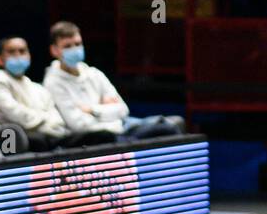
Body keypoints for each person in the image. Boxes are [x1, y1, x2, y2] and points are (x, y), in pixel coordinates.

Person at [43, 22, 184, 143]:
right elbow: (78, 125)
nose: (74, 49)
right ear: (54, 50)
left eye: (78, 44)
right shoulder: (52, 82)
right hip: (98, 136)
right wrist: (107, 109)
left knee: (171, 124)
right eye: (67, 46)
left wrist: (93, 110)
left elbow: (123, 109)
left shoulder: (94, 73)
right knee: (163, 129)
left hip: (122, 125)